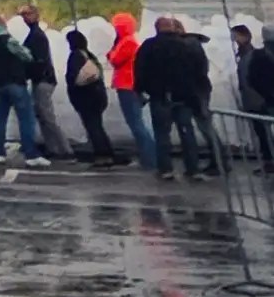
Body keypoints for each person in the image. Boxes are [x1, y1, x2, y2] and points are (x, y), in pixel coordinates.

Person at [135, 16, 217, 180]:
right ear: (172, 28)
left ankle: (166, 169)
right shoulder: (185, 45)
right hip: (184, 97)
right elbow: (198, 71)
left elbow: (140, 70)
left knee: (162, 134)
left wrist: (141, 90)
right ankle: (192, 168)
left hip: (160, 96)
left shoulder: (149, 46)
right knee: (187, 132)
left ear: (157, 28)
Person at [0, 13, 47, 165]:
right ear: (2, 24)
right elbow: (26, 56)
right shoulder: (7, 40)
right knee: (26, 118)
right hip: (15, 82)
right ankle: (31, 155)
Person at [63, 18, 122, 163]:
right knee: (97, 126)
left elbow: (73, 78)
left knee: (93, 127)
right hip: (97, 96)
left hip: (87, 99)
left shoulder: (76, 56)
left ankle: (102, 155)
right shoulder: (89, 55)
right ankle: (106, 152)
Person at [110, 9, 159, 170]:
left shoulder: (127, 42)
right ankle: (148, 156)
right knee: (136, 123)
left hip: (127, 85)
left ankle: (150, 158)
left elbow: (115, 59)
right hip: (128, 85)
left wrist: (111, 53)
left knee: (136, 124)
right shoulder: (128, 41)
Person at [21, 10, 72, 160]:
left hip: (43, 79)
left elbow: (38, 60)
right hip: (42, 79)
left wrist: (28, 72)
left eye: (28, 15)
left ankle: (65, 149)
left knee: (47, 117)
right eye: (24, 16)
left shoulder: (36, 36)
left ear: (36, 16)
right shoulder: (35, 35)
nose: (25, 18)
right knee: (43, 116)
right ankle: (53, 148)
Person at [236, 22, 274, 168]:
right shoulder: (256, 56)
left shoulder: (253, 56)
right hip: (264, 100)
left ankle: (269, 160)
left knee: (263, 133)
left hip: (261, 101)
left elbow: (249, 79)